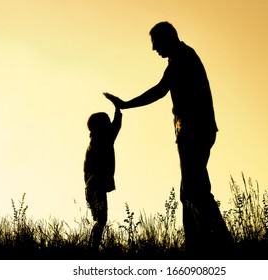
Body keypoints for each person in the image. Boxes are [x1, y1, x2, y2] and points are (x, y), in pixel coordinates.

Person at [104, 21, 232, 257]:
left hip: (194, 131)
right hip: (194, 131)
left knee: (195, 190)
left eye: (155, 43)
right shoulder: (182, 58)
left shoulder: (182, 59)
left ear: (167, 38)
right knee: (188, 191)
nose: (154, 49)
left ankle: (222, 243)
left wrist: (126, 104)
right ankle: (198, 247)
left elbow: (159, 90)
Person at [84, 97, 122, 253]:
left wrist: (117, 111)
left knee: (100, 220)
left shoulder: (97, 139)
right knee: (101, 220)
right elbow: (115, 127)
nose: (109, 125)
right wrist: (118, 109)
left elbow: (114, 127)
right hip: (96, 185)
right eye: (106, 122)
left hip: (92, 186)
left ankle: (93, 247)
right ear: (101, 126)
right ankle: (93, 248)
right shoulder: (102, 140)